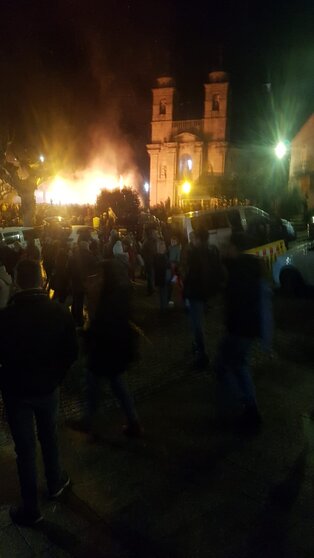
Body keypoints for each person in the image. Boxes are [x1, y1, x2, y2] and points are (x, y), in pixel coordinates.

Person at [0, 260, 78, 526]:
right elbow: (71, 352)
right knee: (49, 437)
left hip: (17, 393)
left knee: (25, 450)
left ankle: (31, 508)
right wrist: (57, 377)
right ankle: (55, 483)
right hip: (48, 388)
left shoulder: (5, 318)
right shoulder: (58, 312)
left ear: (18, 282)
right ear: (41, 279)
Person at [215, 234, 272, 431]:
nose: (223, 249)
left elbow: (238, 302)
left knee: (224, 366)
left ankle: (245, 405)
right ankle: (250, 406)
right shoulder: (248, 266)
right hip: (248, 329)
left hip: (239, 329)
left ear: (234, 248)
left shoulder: (239, 270)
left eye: (226, 246)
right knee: (240, 365)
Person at [80, 259, 142, 437]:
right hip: (114, 349)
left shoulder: (110, 298)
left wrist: (88, 334)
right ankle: (133, 422)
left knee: (93, 385)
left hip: (105, 350)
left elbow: (103, 325)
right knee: (117, 385)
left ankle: (89, 421)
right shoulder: (120, 292)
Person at [183, 228, 222, 368]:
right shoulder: (212, 250)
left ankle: (202, 354)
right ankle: (198, 347)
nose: (192, 240)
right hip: (205, 292)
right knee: (197, 323)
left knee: (197, 324)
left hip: (195, 293)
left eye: (194, 238)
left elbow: (191, 275)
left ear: (199, 239)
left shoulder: (195, 253)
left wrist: (186, 290)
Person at [69, 240, 98, 327]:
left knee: (77, 300)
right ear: (86, 247)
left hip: (76, 282)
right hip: (88, 282)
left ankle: (77, 319)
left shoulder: (73, 256)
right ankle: (91, 320)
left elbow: (68, 269)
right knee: (90, 301)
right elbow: (96, 268)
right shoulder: (90, 256)